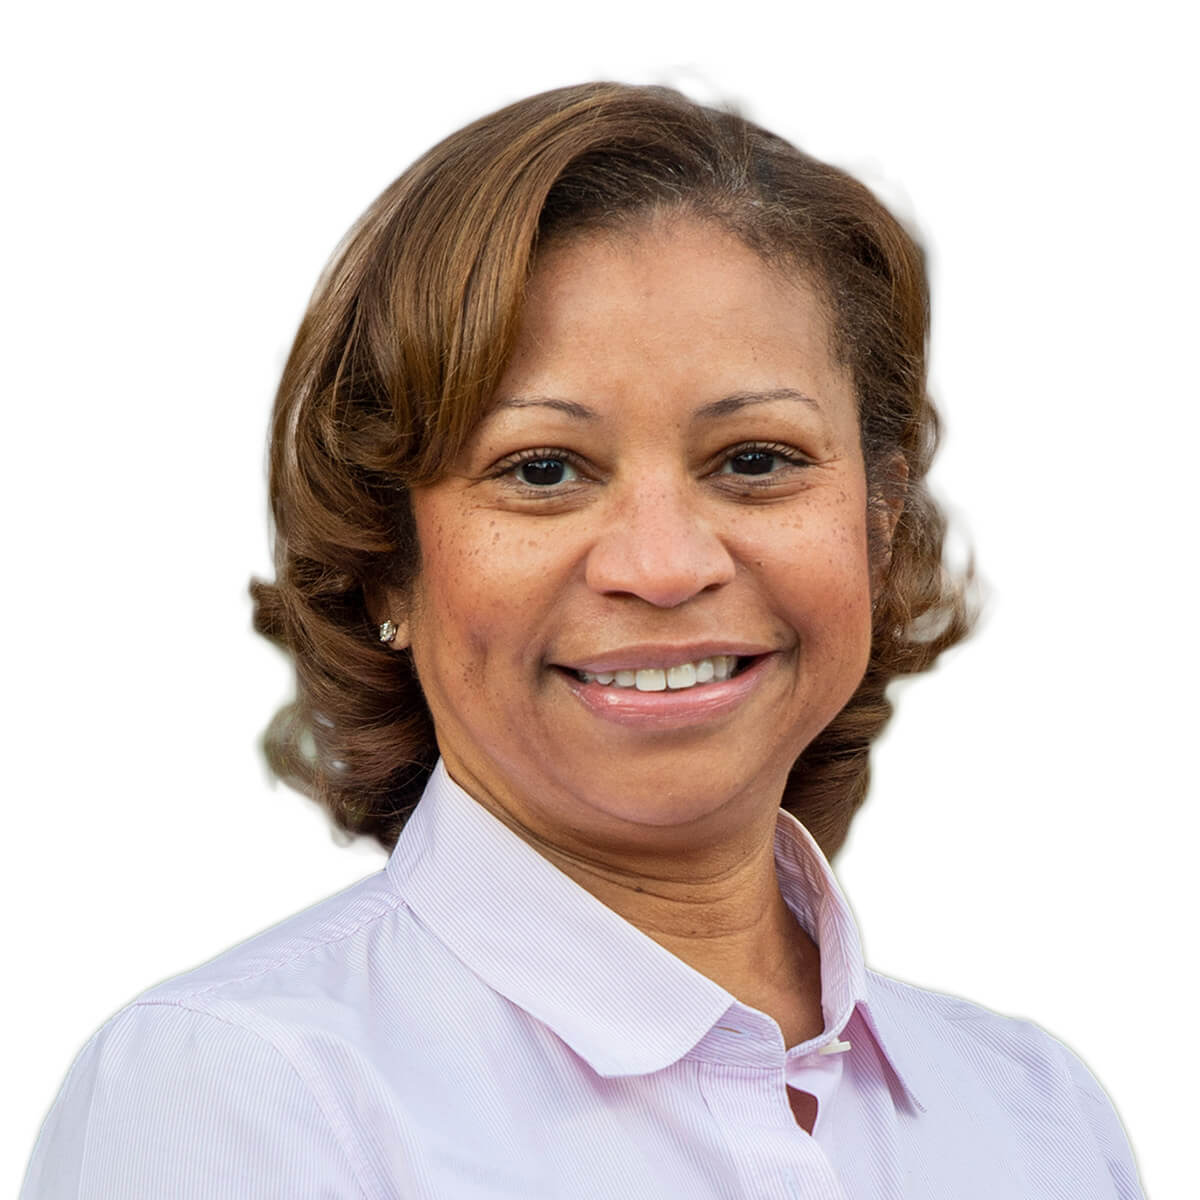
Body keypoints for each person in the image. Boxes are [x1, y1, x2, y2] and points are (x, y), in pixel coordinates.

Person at [21, 81, 1144, 1199]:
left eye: (756, 459)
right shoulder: (238, 1090)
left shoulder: (1037, 1114)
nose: (662, 567)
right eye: (542, 471)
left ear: (879, 516)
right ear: (385, 561)